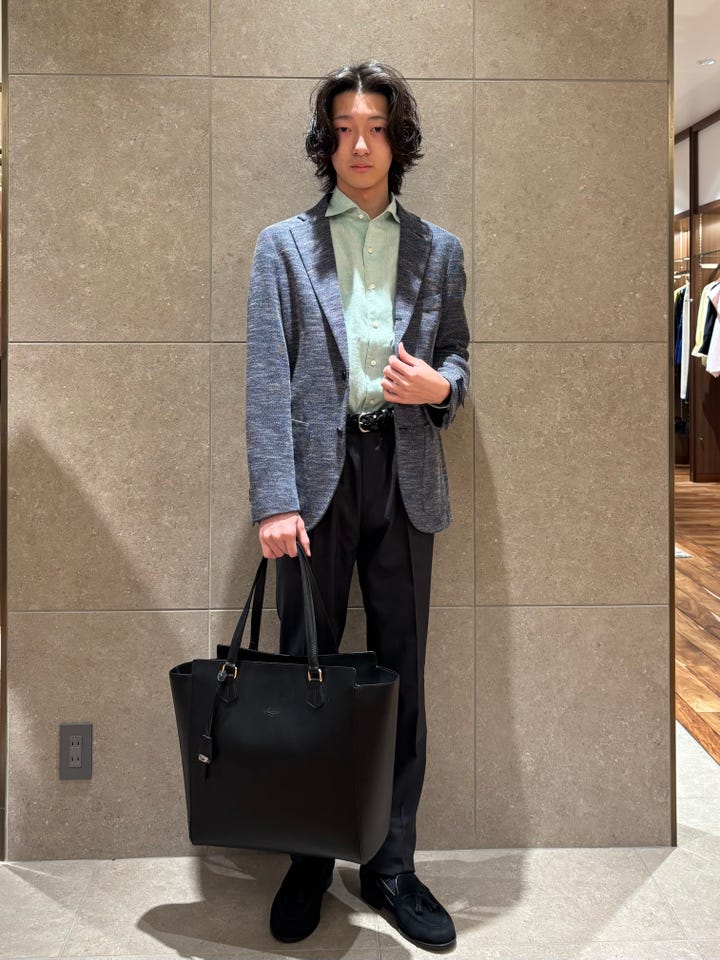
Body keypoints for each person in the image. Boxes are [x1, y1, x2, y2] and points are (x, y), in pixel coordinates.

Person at [245, 59, 470, 951]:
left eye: (375, 128)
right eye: (343, 130)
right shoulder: (283, 247)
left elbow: (458, 358)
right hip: (314, 482)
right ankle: (308, 860)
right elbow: (267, 380)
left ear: (398, 142)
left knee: (400, 678)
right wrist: (275, 498)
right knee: (307, 673)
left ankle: (390, 865)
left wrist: (438, 389)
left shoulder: (439, 251)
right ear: (326, 143)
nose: (360, 145)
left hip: (405, 476)